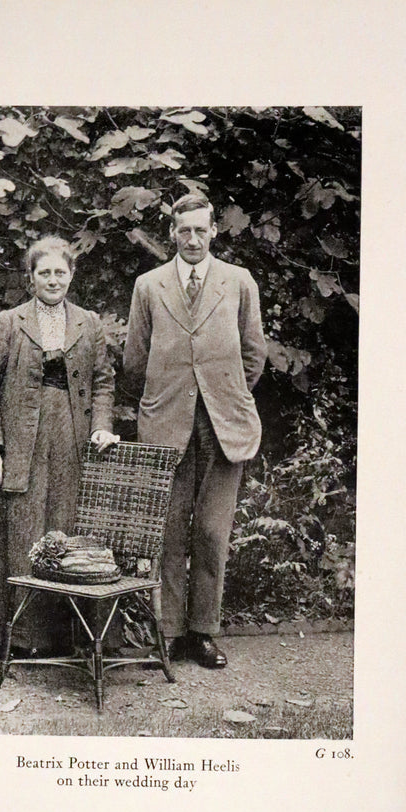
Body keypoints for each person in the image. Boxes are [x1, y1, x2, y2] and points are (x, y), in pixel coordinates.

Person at [0, 235, 118, 655]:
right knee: (20, 532)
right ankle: (15, 639)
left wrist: (101, 426)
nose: (53, 280)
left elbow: (103, 383)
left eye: (61, 272)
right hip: (21, 443)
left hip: (72, 444)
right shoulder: (9, 322)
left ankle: (62, 639)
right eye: (45, 273)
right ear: (31, 278)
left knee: (63, 530)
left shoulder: (88, 323)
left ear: (72, 276)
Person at [123, 195, 267, 669]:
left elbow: (253, 353)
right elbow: (135, 361)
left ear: (213, 232)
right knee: (167, 532)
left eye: (200, 231)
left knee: (210, 531)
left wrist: (222, 394)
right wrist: (168, 397)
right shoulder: (148, 286)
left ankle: (202, 632)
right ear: (171, 232)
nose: (192, 240)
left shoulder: (239, 282)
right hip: (167, 425)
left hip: (224, 426)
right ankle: (168, 633)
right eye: (183, 231)